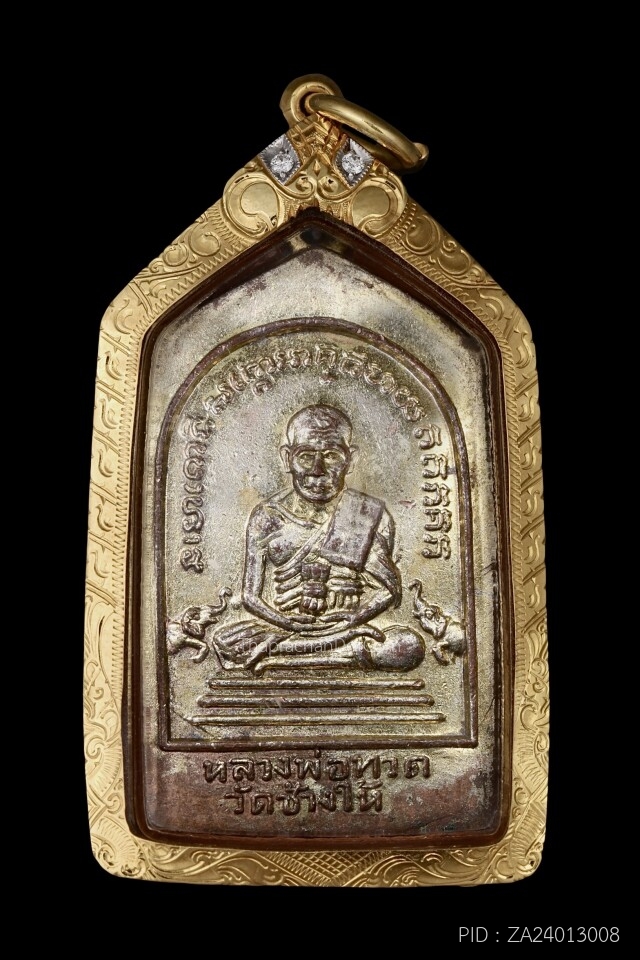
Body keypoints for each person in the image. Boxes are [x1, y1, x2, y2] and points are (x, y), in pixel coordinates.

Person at [212, 404, 424, 673]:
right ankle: (330, 654)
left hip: (347, 626)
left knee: (407, 645)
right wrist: (288, 623)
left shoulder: (366, 513)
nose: (317, 469)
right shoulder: (267, 517)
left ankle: (278, 658)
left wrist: (354, 618)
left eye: (332, 455)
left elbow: (390, 589)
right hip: (284, 628)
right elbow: (250, 597)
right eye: (305, 456)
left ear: (351, 459)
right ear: (287, 458)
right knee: (225, 639)